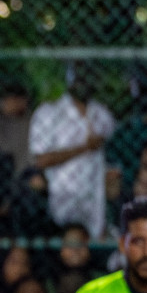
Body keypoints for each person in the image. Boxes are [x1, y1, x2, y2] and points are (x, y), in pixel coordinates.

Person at [30, 71, 116, 238]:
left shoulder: (103, 115)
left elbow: (113, 154)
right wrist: (85, 148)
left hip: (95, 201)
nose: (83, 83)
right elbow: (41, 160)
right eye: (78, 77)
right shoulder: (49, 113)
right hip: (62, 197)